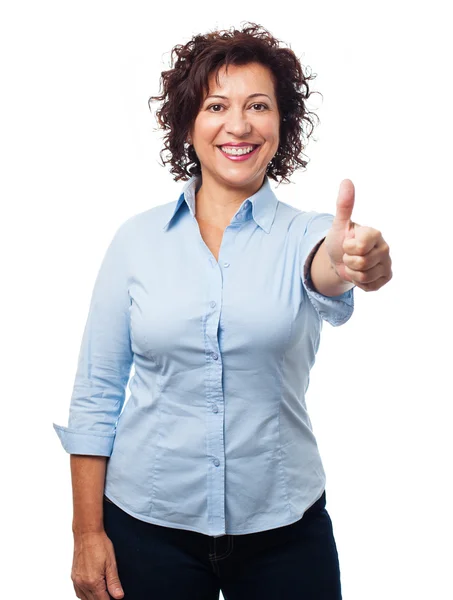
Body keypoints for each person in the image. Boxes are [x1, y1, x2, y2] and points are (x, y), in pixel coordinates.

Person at [53, 22, 392, 600]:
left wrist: (356, 258)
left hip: (285, 529)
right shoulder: (135, 242)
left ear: (282, 125)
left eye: (258, 105)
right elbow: (97, 392)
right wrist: (87, 532)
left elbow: (330, 264)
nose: (239, 125)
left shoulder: (307, 235)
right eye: (216, 106)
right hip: (148, 526)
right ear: (189, 124)